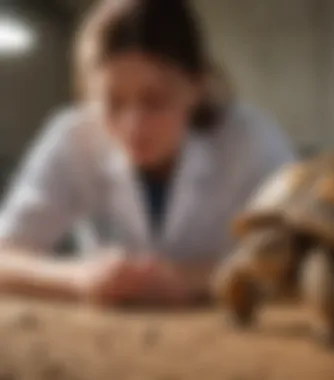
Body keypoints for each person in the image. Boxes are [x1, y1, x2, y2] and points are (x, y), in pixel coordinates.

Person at [0, 0, 294, 306]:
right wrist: (77, 277)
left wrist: (191, 278)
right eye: (113, 103)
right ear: (88, 94)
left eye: (155, 101)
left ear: (196, 87)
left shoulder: (251, 141)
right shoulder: (71, 137)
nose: (134, 127)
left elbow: (300, 255)